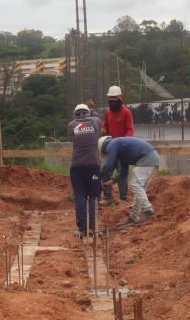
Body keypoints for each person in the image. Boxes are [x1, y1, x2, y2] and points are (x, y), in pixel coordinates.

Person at [99, 135, 159, 224]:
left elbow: (108, 166)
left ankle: (148, 209)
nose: (107, 155)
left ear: (103, 148)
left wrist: (97, 178)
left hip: (147, 158)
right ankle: (134, 217)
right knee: (140, 190)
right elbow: (123, 174)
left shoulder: (112, 144)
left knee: (136, 185)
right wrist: (111, 182)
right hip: (152, 158)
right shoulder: (121, 152)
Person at [67, 102, 102, 238]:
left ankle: (82, 228)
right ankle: (93, 227)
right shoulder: (95, 122)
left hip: (77, 166)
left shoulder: (71, 125)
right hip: (93, 165)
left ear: (75, 114)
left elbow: (72, 136)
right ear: (88, 113)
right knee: (93, 196)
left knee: (80, 195)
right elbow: (97, 117)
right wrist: (92, 111)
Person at [101, 85, 134, 203]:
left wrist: (124, 142)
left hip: (122, 149)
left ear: (120, 98)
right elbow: (105, 125)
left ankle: (123, 197)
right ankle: (108, 197)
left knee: (122, 173)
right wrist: (103, 130)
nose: (112, 101)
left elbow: (130, 130)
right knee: (106, 171)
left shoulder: (126, 112)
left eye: (114, 98)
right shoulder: (108, 113)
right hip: (110, 148)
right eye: (110, 99)